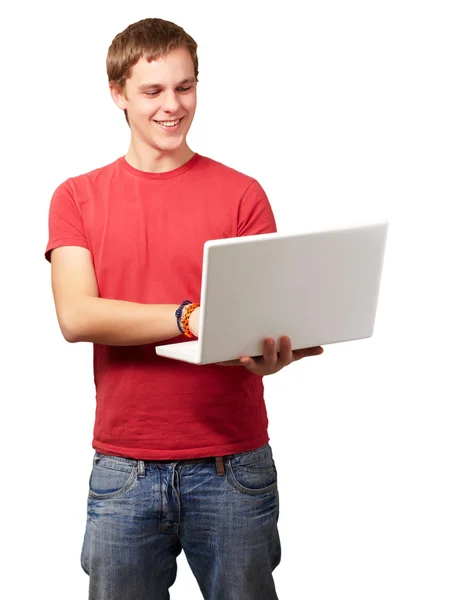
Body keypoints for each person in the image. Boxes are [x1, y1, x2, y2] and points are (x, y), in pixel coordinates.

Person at [45, 17, 323, 600]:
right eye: (153, 91)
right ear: (117, 93)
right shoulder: (76, 196)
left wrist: (263, 356)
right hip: (125, 466)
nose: (173, 106)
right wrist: (191, 317)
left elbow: (252, 321)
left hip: (233, 465)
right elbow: (78, 316)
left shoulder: (242, 193)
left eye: (185, 87)